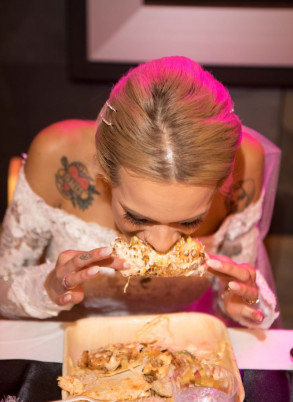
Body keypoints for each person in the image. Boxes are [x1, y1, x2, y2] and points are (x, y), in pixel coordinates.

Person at [0, 56, 280, 328]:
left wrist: (238, 301)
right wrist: (49, 288)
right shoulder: (56, 154)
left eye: (189, 222)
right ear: (104, 172)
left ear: (222, 185)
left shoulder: (246, 162)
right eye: (137, 217)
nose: (161, 244)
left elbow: (231, 294)